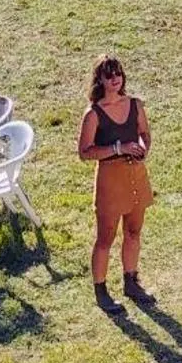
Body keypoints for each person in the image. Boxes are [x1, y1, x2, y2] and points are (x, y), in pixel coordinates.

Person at [77, 55, 154, 314]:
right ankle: (101, 290)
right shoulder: (93, 114)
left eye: (118, 73)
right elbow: (85, 152)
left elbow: (144, 134)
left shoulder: (134, 104)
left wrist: (142, 148)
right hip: (110, 179)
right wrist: (117, 148)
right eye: (109, 75)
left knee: (134, 231)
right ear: (100, 79)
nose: (115, 78)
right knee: (105, 238)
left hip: (136, 175)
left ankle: (131, 281)